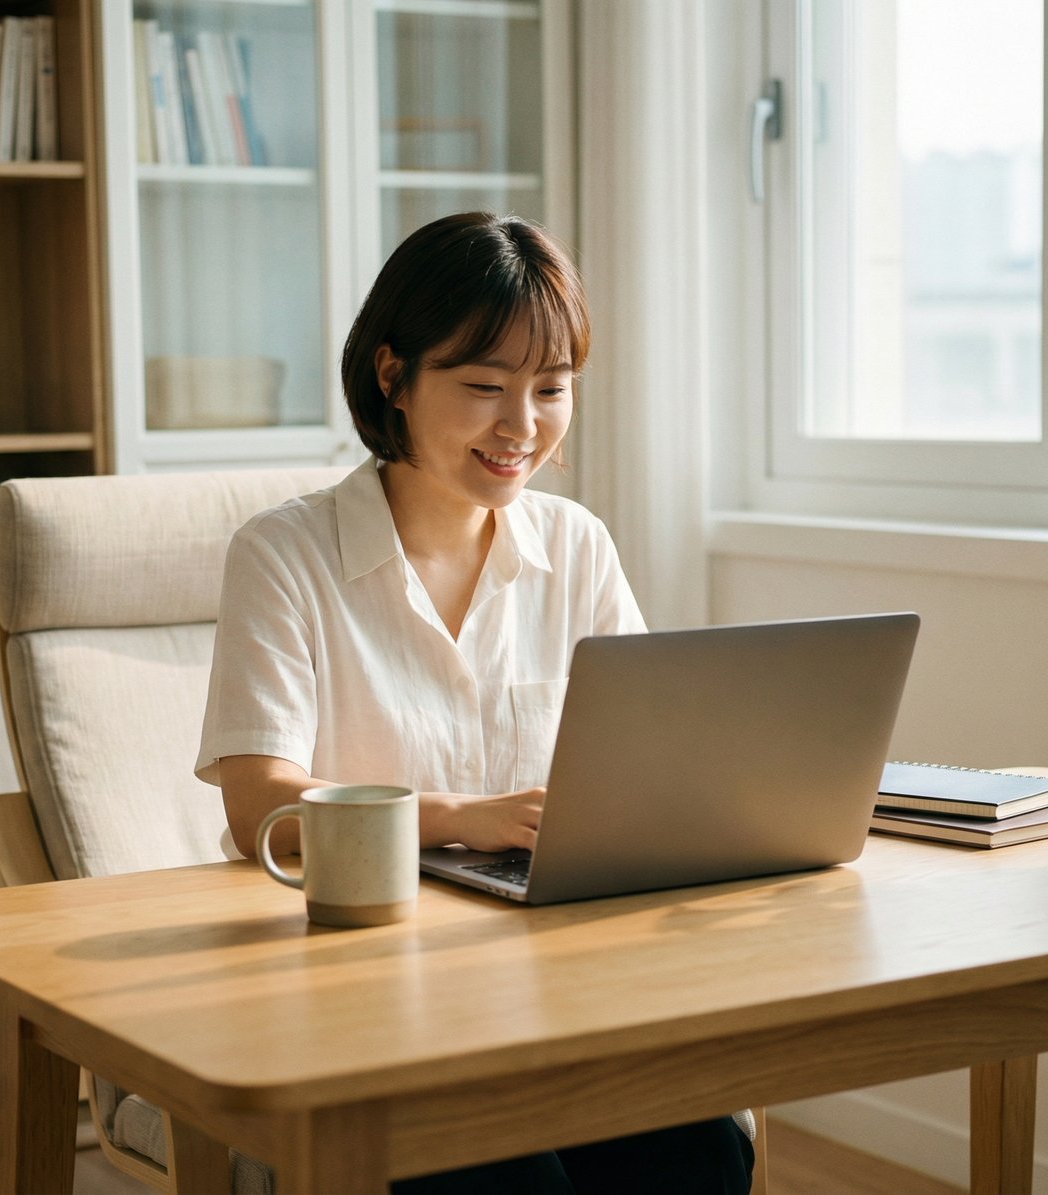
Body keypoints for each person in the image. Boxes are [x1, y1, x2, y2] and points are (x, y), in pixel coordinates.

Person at [196, 212, 754, 1194]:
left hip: (551, 980)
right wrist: (461, 819)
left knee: (704, 1147)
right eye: (485, 387)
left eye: (550, 389)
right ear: (392, 376)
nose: (522, 426)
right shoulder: (283, 555)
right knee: (508, 1176)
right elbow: (259, 809)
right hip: (363, 990)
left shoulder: (575, 547)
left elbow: (651, 752)